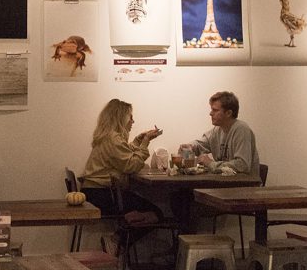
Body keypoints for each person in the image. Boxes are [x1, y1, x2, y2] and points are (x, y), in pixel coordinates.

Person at [80, 98, 164, 227]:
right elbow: (132, 165)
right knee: (156, 213)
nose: (133, 121)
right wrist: (145, 142)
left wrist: (138, 140)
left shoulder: (108, 136)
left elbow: (123, 155)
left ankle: (121, 238)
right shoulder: (113, 139)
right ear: (121, 118)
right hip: (104, 195)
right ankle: (117, 240)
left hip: (94, 192)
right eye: (130, 117)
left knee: (137, 213)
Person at [183, 91, 259, 176]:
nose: (210, 113)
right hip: (224, 184)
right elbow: (200, 144)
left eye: (215, 110)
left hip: (244, 186)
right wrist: (190, 146)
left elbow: (242, 165)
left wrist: (210, 163)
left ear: (228, 113)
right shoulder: (217, 130)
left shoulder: (241, 129)